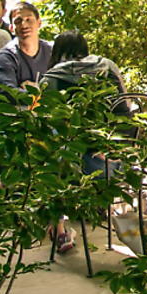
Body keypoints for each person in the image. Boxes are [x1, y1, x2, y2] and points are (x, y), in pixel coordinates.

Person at [42, 30, 128, 253]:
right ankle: (101, 204)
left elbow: (46, 123)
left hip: (77, 169)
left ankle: (59, 230)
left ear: (57, 52)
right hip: (118, 167)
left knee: (48, 152)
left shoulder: (52, 78)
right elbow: (125, 111)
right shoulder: (108, 67)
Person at [0, 1, 52, 96]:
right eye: (18, 21)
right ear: (11, 28)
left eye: (29, 20)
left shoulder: (52, 52)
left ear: (39, 23)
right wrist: (44, 94)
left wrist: (36, 90)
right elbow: (8, 92)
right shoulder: (5, 57)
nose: (24, 25)